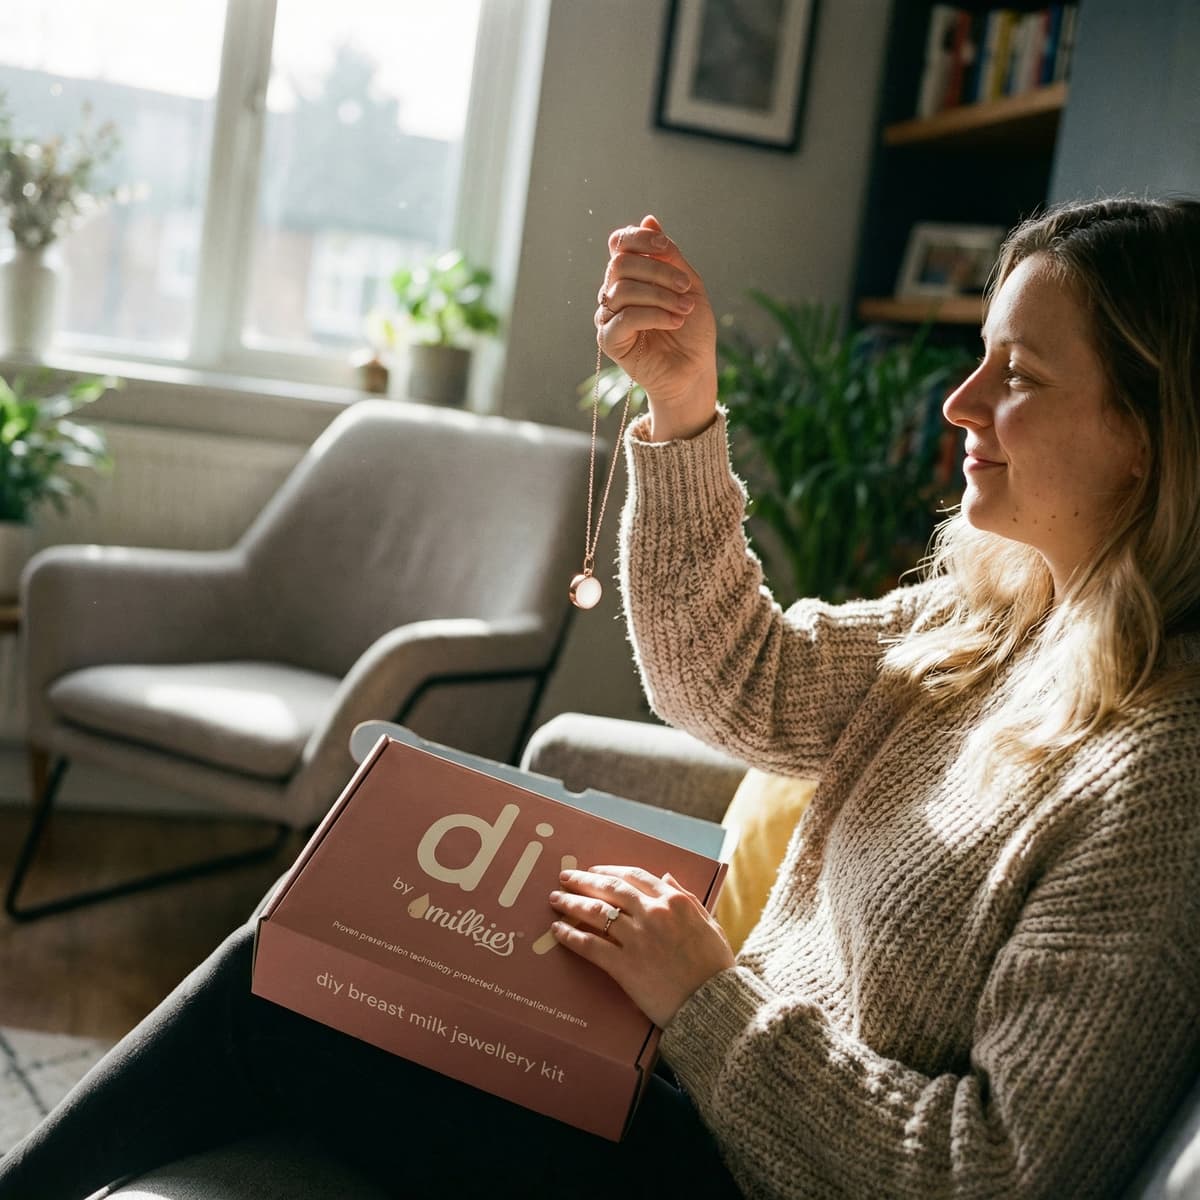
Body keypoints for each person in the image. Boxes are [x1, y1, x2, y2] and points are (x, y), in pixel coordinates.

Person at [2, 195, 1198, 1200]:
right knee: (324, 936)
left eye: (1021, 374)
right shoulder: (991, 620)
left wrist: (703, 998)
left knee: (282, 997)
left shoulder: (1164, 777)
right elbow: (739, 681)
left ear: (1149, 434)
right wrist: (682, 407)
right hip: (689, 1091)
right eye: (979, 356)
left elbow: (997, 1174)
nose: (962, 402)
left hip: (744, 1174)